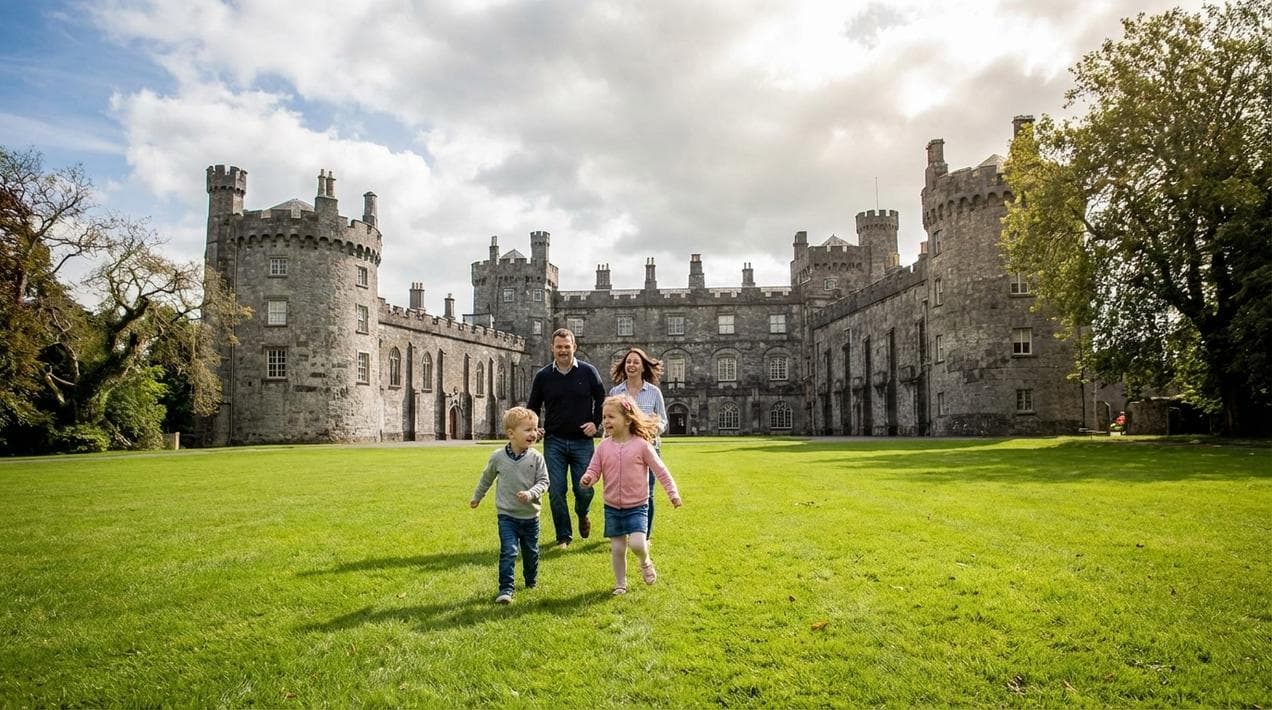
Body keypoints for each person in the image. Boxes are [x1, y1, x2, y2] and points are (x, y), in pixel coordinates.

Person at [580, 395, 682, 596]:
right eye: (604, 417)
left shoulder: (642, 445)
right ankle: (620, 583)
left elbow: (661, 471)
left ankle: (645, 561)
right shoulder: (603, 447)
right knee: (618, 549)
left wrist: (673, 493)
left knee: (636, 543)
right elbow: (594, 469)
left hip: (637, 506)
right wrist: (588, 478)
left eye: (611, 417)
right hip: (612, 507)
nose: (606, 421)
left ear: (627, 420)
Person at [526, 328, 607, 550]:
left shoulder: (588, 372)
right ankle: (563, 536)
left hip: (582, 441)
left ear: (574, 347)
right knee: (556, 491)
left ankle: (583, 513)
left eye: (567, 346)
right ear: (552, 348)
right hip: (554, 441)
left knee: (584, 488)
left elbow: (602, 399)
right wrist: (535, 428)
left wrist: (596, 423)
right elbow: (533, 407)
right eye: (559, 347)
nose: (563, 350)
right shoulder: (543, 376)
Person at [470, 407, 551, 604]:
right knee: (509, 551)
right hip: (507, 516)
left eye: (535, 429)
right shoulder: (498, 457)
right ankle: (506, 589)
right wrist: (477, 497)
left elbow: (544, 482)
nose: (533, 433)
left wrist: (531, 494)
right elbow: (486, 479)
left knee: (531, 552)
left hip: (530, 517)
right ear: (511, 434)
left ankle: (531, 581)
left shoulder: (536, 457)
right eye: (528, 429)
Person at [609, 347, 668, 541]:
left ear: (643, 367)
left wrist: (652, 430)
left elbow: (663, 420)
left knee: (647, 493)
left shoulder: (654, 392)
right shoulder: (616, 392)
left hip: (649, 449)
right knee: (621, 492)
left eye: (636, 362)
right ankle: (622, 532)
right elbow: (609, 418)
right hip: (622, 450)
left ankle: (644, 537)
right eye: (628, 362)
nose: (631, 365)